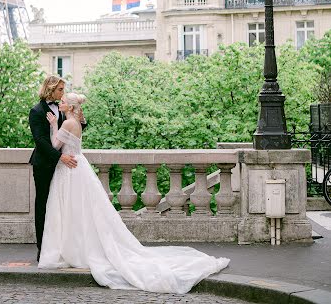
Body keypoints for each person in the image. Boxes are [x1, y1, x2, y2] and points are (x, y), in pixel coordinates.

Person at [38, 92, 230, 295]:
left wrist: (52, 126)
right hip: (79, 167)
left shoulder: (67, 124)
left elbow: (54, 147)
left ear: (70, 107)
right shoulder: (76, 121)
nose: (61, 103)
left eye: (64, 101)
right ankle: (78, 248)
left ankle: (72, 249)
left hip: (69, 170)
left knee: (70, 210)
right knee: (82, 211)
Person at [29, 75, 85, 263]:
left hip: (64, 166)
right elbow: (41, 141)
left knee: (63, 206)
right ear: (50, 89)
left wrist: (81, 118)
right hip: (45, 164)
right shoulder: (36, 111)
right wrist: (60, 156)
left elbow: (72, 131)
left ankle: (63, 246)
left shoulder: (62, 110)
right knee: (43, 205)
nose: (63, 93)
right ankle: (42, 248)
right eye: (60, 89)